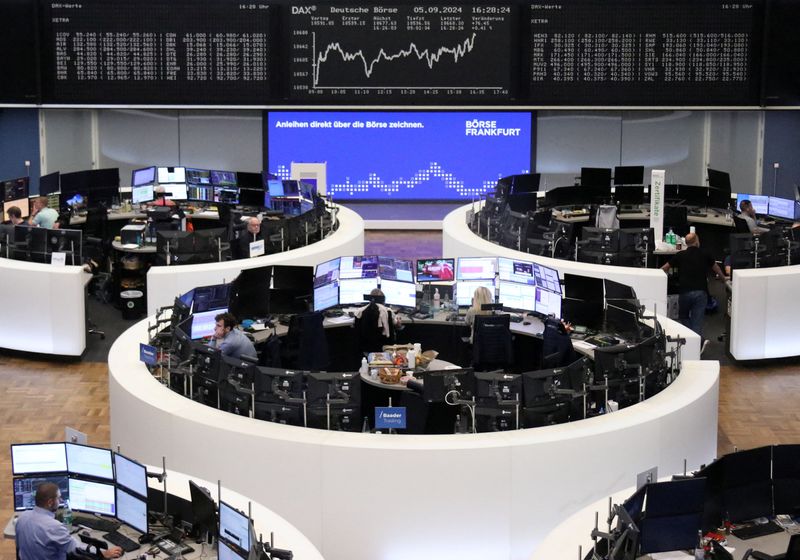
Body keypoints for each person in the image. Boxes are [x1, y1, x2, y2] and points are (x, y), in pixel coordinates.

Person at [15, 482, 123, 560]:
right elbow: (76, 549)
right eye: (59, 498)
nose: (61, 501)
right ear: (50, 502)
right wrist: (103, 553)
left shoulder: (22, 518)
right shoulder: (54, 527)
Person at [661, 232, 725, 352]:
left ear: (686, 243)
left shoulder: (680, 255)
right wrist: (723, 279)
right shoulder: (706, 254)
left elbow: (665, 268)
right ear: (696, 241)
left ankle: (694, 343)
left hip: (684, 292)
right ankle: (697, 345)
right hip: (701, 293)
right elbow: (717, 270)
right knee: (697, 321)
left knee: (683, 316)